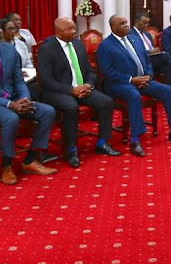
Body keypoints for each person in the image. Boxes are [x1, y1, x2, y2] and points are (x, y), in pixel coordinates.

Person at [0, 18, 57, 185]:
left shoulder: (9, 50)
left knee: (48, 112)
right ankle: (6, 165)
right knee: (10, 118)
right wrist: (10, 105)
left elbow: (18, 79)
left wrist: (24, 98)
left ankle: (31, 159)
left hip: (14, 99)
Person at [96, 15, 171, 158]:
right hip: (120, 84)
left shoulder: (135, 39)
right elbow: (108, 71)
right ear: (112, 27)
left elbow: (147, 61)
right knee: (134, 95)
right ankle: (135, 140)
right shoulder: (105, 45)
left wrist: (148, 75)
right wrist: (131, 79)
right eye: (121, 24)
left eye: (126, 23)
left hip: (143, 80)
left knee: (168, 90)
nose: (126, 25)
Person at [37, 17, 119, 168]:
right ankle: (71, 150)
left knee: (106, 102)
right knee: (71, 107)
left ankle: (102, 143)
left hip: (81, 88)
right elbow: (46, 80)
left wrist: (88, 85)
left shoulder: (78, 45)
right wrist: (71, 90)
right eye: (69, 29)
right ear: (58, 32)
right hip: (58, 91)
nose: (74, 31)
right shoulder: (47, 49)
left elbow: (89, 70)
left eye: (74, 28)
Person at [131, 12, 171, 108]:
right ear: (137, 22)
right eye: (144, 23)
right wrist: (149, 52)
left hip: (153, 60)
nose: (146, 26)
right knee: (166, 55)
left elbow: (152, 47)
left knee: (168, 67)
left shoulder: (147, 35)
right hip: (143, 61)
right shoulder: (130, 34)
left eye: (147, 23)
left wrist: (155, 50)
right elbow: (134, 52)